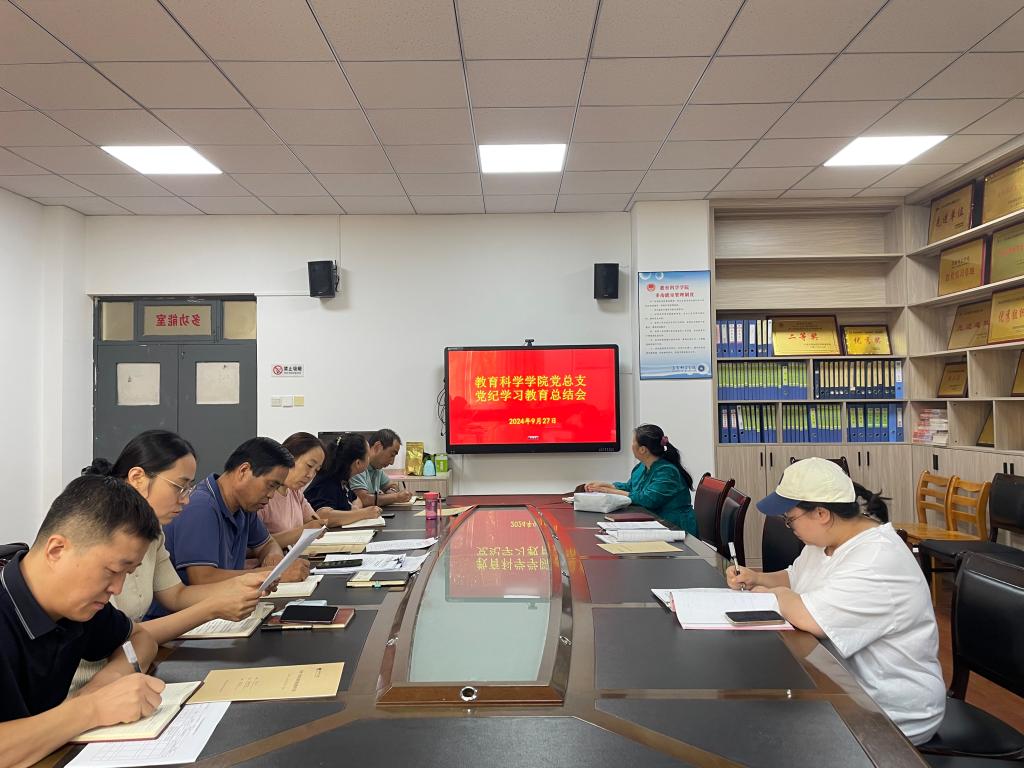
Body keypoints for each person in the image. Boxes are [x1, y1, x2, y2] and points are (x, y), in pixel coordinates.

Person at [727, 457, 945, 745]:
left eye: (790, 519)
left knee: (759, 731)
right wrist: (757, 578)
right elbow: (795, 577)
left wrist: (776, 595)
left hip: (889, 710)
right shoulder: (827, 542)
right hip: (842, 685)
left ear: (821, 513)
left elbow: (810, 618)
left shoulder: (876, 559)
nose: (790, 527)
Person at [73, 431, 268, 689]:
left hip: (125, 670)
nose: (186, 499)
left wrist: (240, 586)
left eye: (189, 488)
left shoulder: (152, 532)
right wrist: (212, 608)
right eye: (179, 487)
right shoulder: (95, 537)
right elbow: (125, 637)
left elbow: (175, 595)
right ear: (137, 478)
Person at [0, 475, 166, 767]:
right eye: (112, 570)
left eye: (127, 574)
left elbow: (140, 639)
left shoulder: (79, 606)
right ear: (57, 550)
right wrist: (91, 708)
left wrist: (108, 680)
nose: (117, 588)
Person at [164, 437, 309, 586]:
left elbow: (268, 544)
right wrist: (274, 573)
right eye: (271, 485)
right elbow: (203, 579)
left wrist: (274, 558)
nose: (271, 495)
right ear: (244, 471)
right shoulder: (201, 507)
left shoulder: (245, 506)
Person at [258, 432, 376, 547]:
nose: (310, 475)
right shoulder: (262, 496)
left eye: (316, 470)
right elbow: (255, 545)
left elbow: (315, 520)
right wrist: (305, 530)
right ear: (289, 457)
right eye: (309, 465)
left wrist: (317, 526)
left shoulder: (295, 492)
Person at [585, 423, 696, 534]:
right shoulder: (642, 467)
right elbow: (631, 487)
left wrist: (608, 491)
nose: (631, 445)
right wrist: (607, 486)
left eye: (633, 442)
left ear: (643, 449)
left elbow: (647, 500)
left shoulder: (667, 471)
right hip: (655, 524)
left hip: (675, 528)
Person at [305, 433, 383, 518]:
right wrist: (363, 513)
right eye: (368, 456)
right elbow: (323, 515)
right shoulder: (328, 481)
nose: (370, 458)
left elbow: (357, 500)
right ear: (358, 463)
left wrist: (354, 510)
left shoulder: (343, 478)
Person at [350, 428, 414, 508]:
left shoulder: (376, 468)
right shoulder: (357, 466)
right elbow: (362, 499)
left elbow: (392, 485)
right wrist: (395, 497)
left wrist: (391, 492)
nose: (392, 462)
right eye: (391, 455)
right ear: (377, 447)